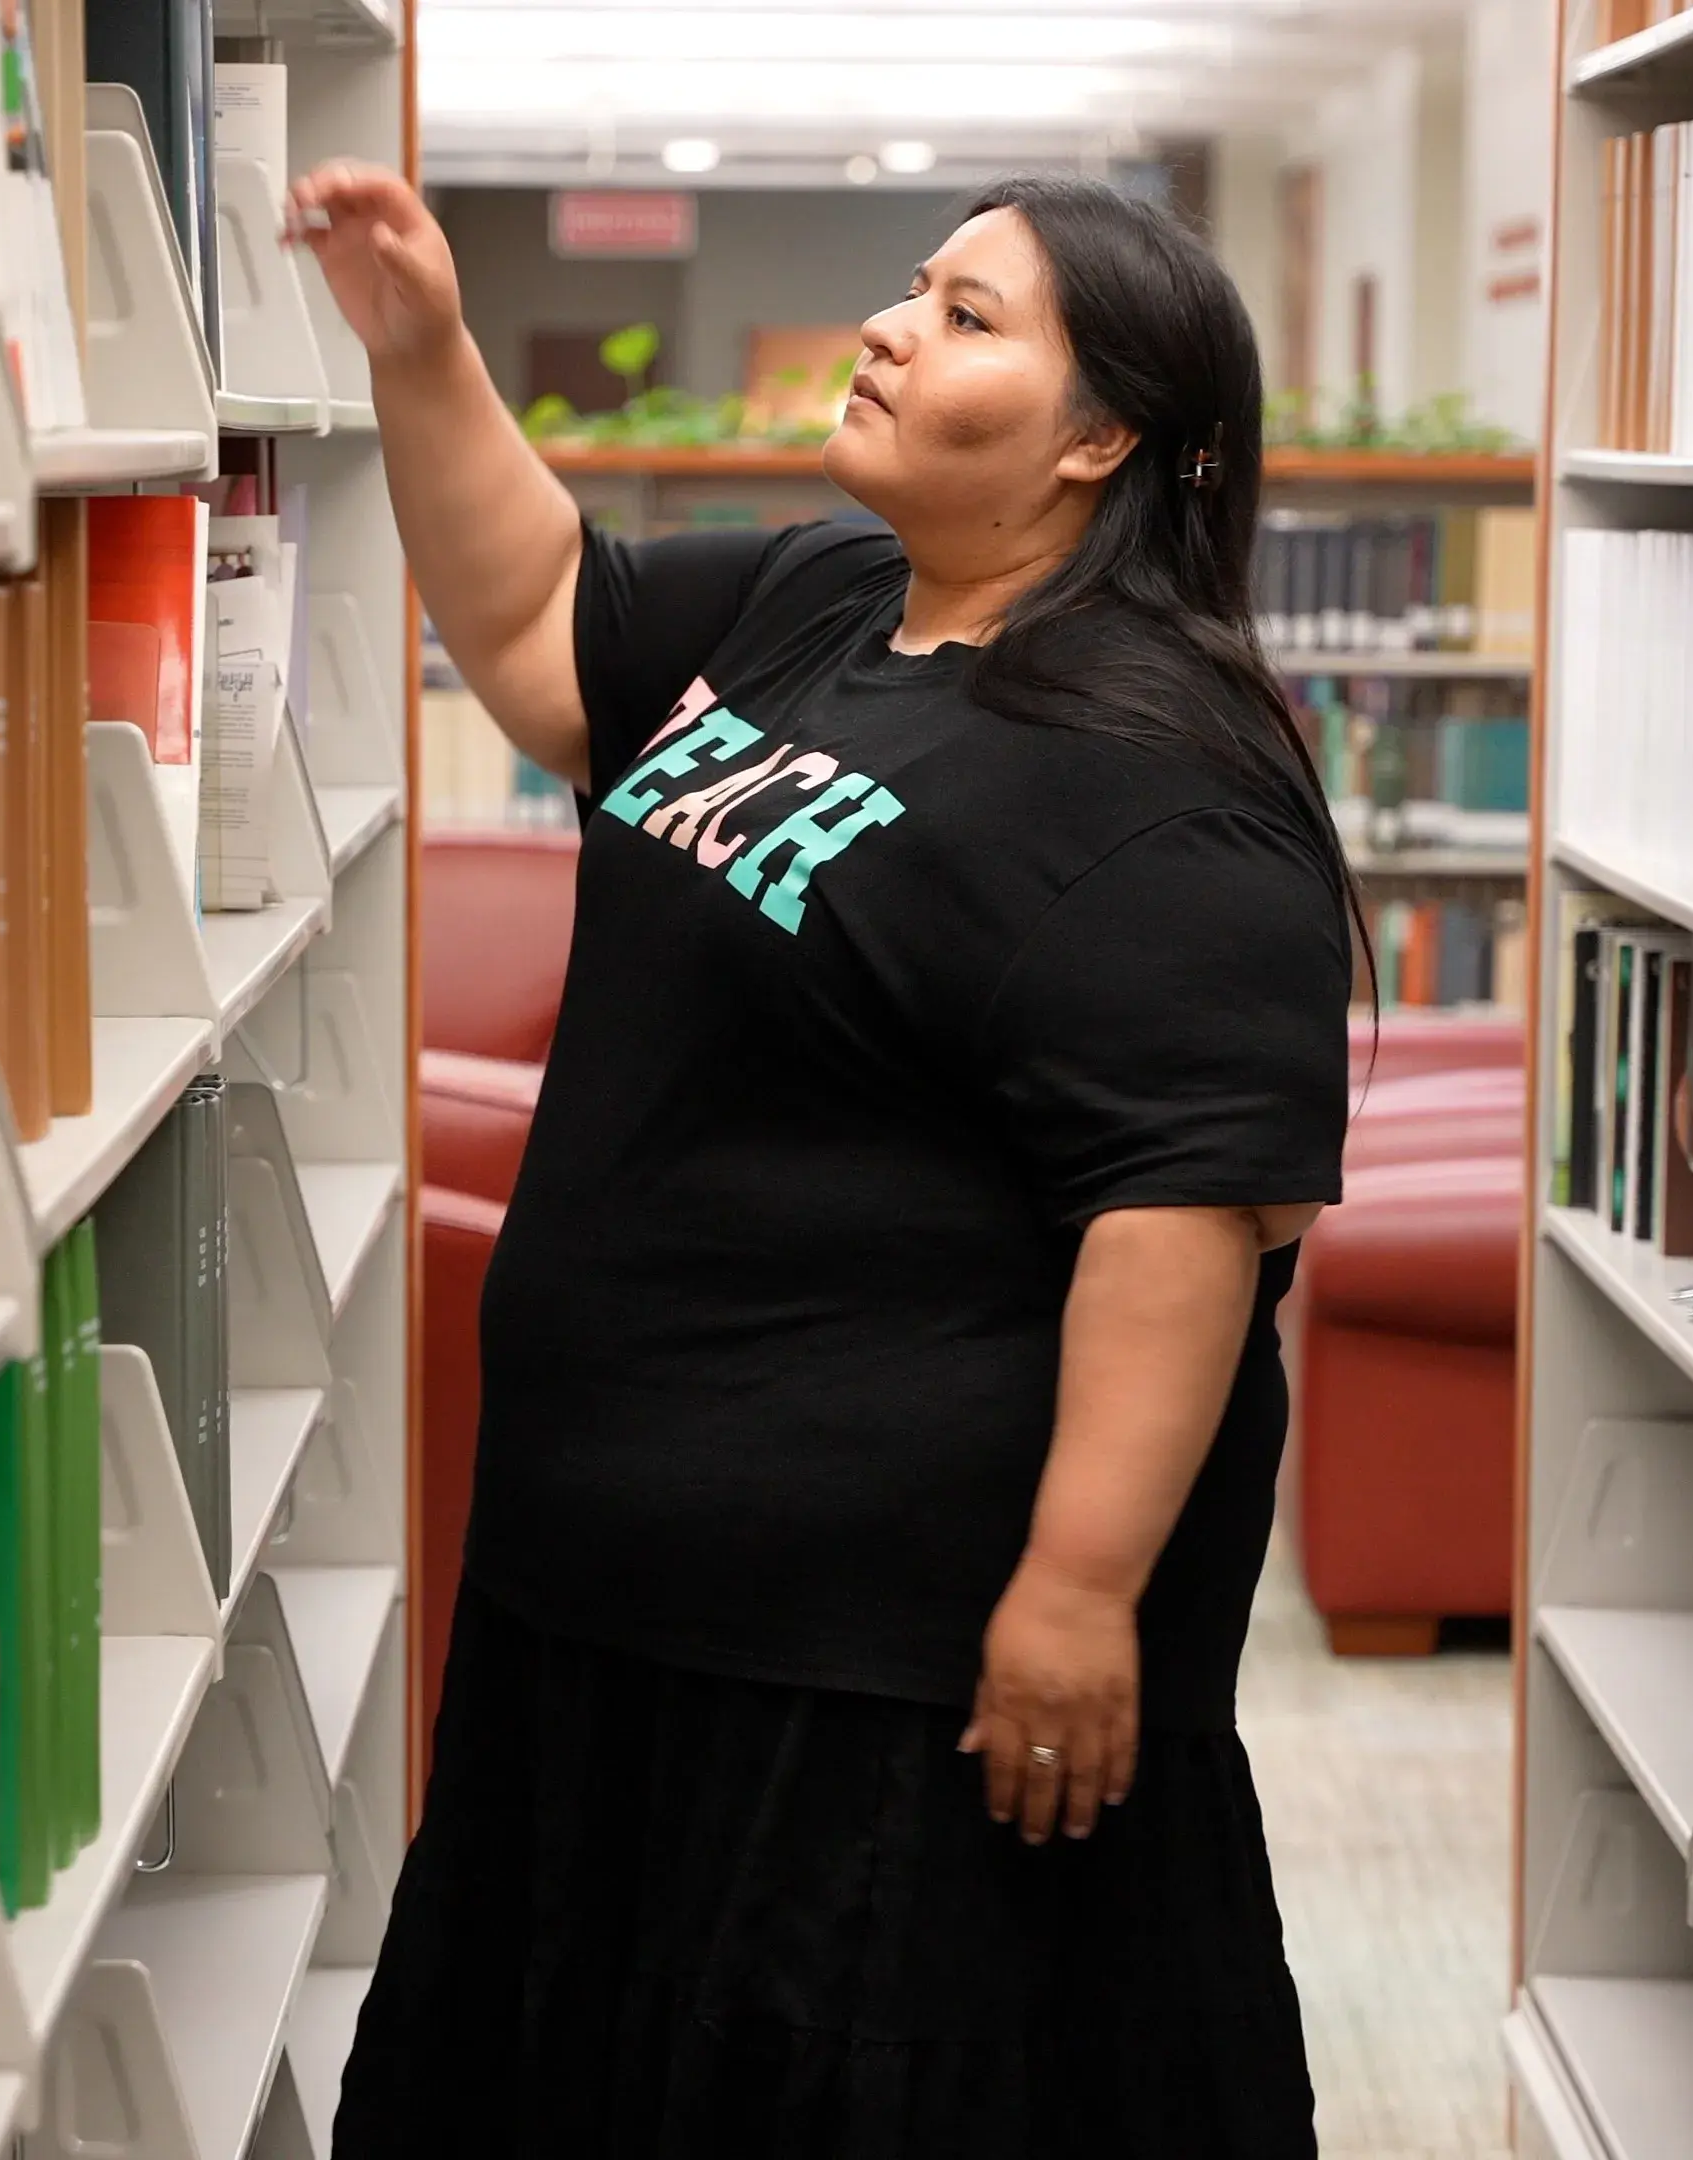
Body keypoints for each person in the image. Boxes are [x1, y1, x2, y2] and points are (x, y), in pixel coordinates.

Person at [286, 162, 1357, 2155]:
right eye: (914, 288)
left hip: (874, 1670)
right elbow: (534, 625)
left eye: (967, 317)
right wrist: (420, 348)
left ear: (1102, 435)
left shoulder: (1161, 777)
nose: (887, 325)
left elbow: (1189, 1213)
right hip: (606, 1600)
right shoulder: (821, 600)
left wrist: (1078, 1584)